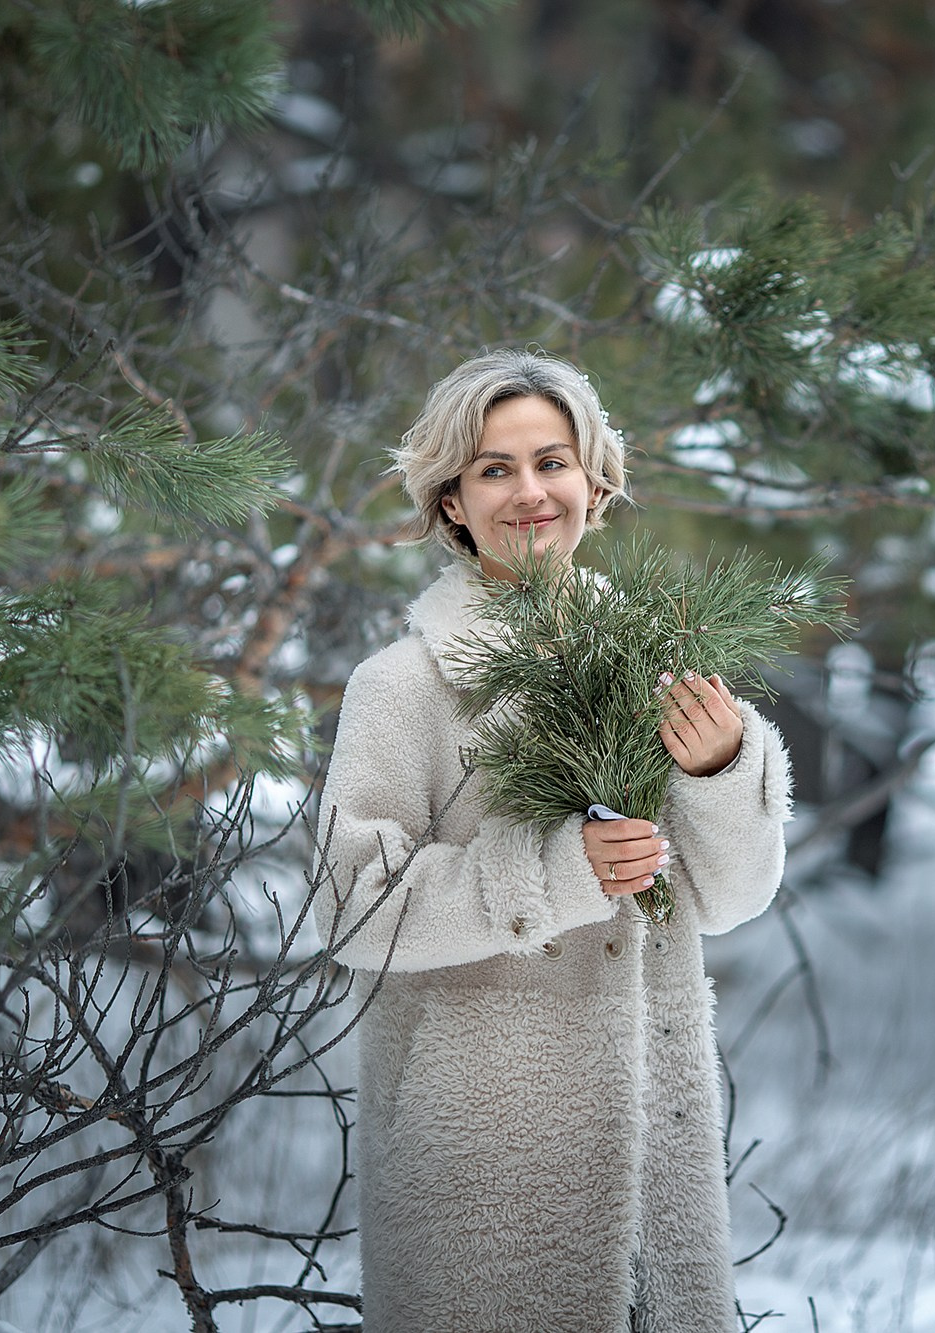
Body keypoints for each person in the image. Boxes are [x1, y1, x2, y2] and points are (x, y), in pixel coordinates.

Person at [311, 348, 793, 1332]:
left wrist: (718, 774)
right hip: (480, 1186)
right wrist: (553, 870)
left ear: (595, 482)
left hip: (658, 1175)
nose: (529, 492)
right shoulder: (401, 688)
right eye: (494, 469)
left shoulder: (655, 670)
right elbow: (354, 907)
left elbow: (725, 899)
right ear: (449, 502)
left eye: (552, 461)